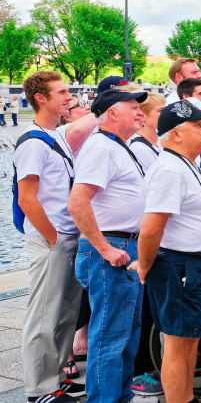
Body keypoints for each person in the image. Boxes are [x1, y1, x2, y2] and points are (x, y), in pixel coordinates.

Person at [135, 98, 201, 403]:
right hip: (180, 267)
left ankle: (187, 398)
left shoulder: (182, 164)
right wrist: (145, 267)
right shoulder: (169, 170)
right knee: (178, 343)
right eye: (198, 124)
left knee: (188, 340)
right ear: (175, 134)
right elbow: (151, 229)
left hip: (190, 266)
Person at [17, 71, 96, 403]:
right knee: (44, 316)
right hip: (53, 238)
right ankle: (39, 391)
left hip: (67, 236)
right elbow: (27, 198)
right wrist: (51, 237)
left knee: (65, 313)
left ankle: (54, 382)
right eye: (62, 92)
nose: (70, 97)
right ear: (41, 98)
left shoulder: (56, 134)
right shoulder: (33, 141)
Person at [68, 88, 149, 403]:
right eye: (133, 107)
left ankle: (120, 397)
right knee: (110, 339)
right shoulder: (101, 147)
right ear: (112, 112)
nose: (140, 112)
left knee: (127, 337)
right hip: (112, 250)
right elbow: (77, 203)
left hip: (126, 247)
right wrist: (104, 248)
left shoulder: (119, 146)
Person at [129, 93, 166, 172]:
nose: (167, 114)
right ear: (142, 116)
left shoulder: (158, 142)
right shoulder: (141, 149)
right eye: (161, 110)